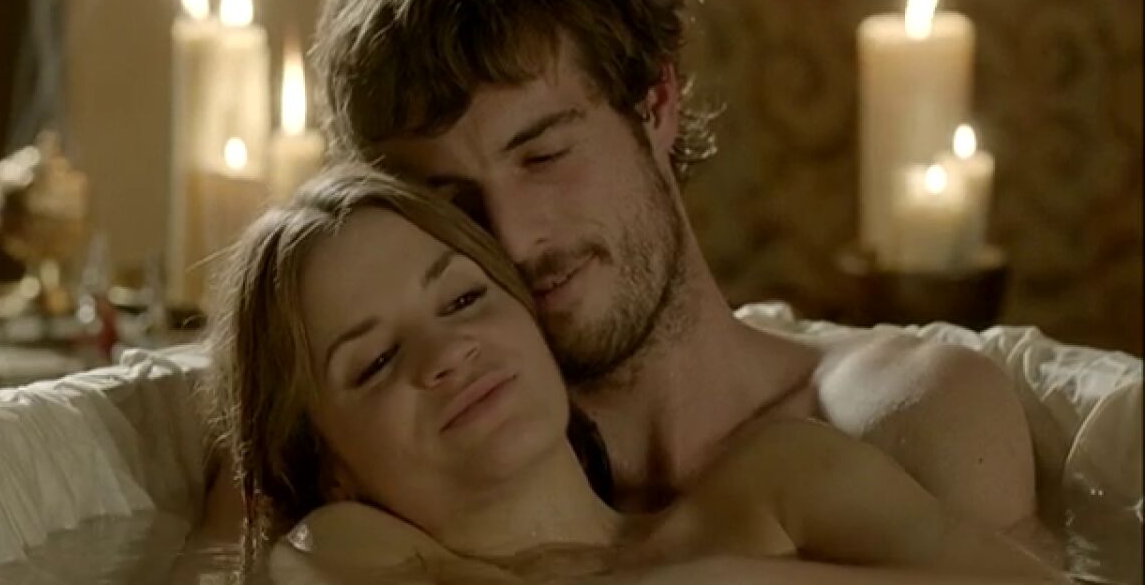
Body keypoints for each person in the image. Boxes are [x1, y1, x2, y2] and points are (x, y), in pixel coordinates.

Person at [305, 0, 1058, 559]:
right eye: (452, 202)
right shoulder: (411, 493)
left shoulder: (910, 418)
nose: (516, 237)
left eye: (543, 155)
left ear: (656, 103)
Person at [209, 164, 1062, 585]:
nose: (447, 352)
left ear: (529, 317)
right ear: (330, 466)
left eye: (465, 298)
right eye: (375, 360)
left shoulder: (785, 478)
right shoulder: (342, 552)